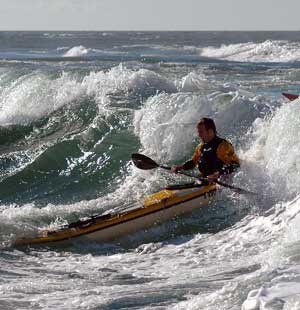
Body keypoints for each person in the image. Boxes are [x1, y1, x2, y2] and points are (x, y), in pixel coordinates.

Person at [171, 117, 240, 184]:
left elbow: (236, 165)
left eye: (201, 132)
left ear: (210, 131)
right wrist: (180, 167)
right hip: (206, 181)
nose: (199, 135)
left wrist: (218, 174)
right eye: (198, 132)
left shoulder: (223, 146)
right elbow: (193, 162)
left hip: (222, 181)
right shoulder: (200, 147)